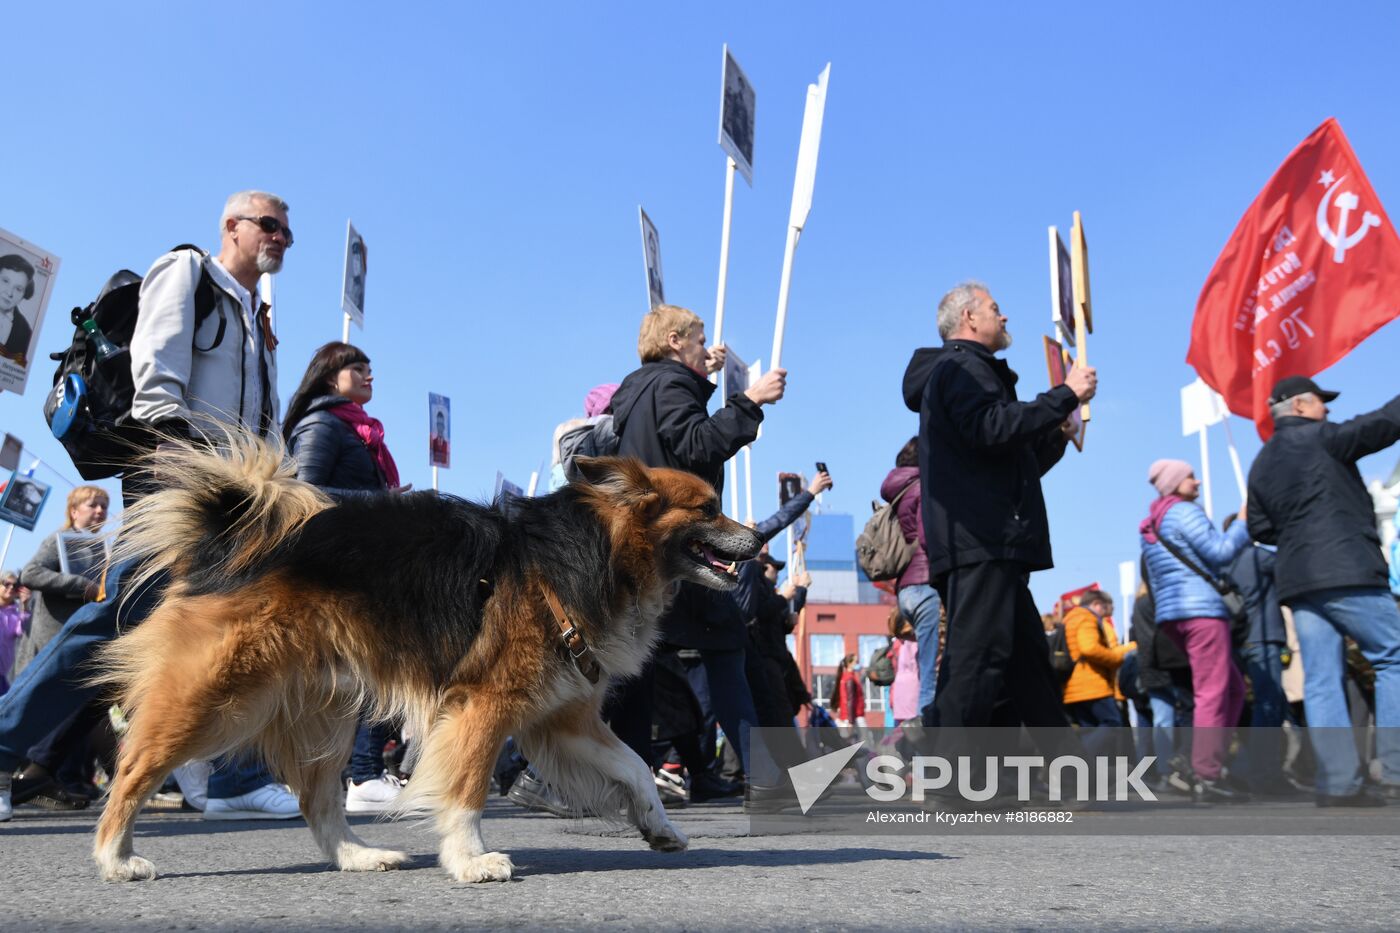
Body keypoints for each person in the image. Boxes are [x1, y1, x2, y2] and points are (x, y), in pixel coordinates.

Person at [0, 191, 297, 823]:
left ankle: (232, 779)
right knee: (116, 620)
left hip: (238, 495)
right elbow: (155, 379)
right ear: (232, 226)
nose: (281, 238)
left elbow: (263, 418)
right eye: (270, 225)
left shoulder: (257, 313)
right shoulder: (187, 271)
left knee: (235, 625)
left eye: (287, 232)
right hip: (177, 477)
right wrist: (186, 462)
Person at [902, 281, 1094, 761]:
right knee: (977, 660)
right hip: (981, 538)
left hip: (991, 538)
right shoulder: (960, 367)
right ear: (969, 317)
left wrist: (1055, 431)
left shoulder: (964, 370)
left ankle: (1065, 772)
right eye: (995, 308)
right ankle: (948, 774)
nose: (1004, 317)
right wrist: (1063, 396)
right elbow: (991, 428)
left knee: (1028, 666)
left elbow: (1007, 461)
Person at [608, 304, 785, 779]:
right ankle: (764, 776)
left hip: (648, 546)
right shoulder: (670, 385)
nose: (706, 349)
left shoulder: (637, 391)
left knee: (637, 669)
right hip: (683, 546)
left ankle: (627, 779)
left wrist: (703, 374)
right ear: (675, 341)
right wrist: (751, 401)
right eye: (699, 340)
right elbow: (695, 444)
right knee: (727, 650)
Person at [1247, 375, 1400, 806]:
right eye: (1320, 401)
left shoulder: (1261, 463)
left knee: (1321, 679)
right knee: (1392, 658)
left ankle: (1338, 783)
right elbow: (1385, 423)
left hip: (1300, 582)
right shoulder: (1325, 439)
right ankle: (1395, 770)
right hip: (1348, 569)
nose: (1327, 408)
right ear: (1298, 406)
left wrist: (1301, 534)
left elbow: (1259, 527)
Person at [284, 342, 410, 813]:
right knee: (378, 665)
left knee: (377, 668)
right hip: (336, 569)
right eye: (358, 369)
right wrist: (383, 503)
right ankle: (362, 775)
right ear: (328, 376)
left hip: (363, 564)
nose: (369, 376)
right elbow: (303, 493)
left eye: (369, 369)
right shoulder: (323, 424)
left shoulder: (359, 429)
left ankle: (362, 774)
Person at [1140, 459, 1251, 802]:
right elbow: (1221, 552)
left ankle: (1208, 761)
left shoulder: (1152, 522)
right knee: (1213, 692)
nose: (1197, 481)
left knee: (1231, 689)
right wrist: (1243, 522)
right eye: (1190, 476)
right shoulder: (1185, 512)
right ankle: (1206, 772)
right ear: (1174, 482)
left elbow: (1153, 578)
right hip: (1202, 610)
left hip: (1173, 614)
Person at [1222, 513, 1294, 795]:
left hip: (1239, 641)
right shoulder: (1256, 557)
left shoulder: (1225, 564)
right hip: (1263, 636)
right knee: (1270, 704)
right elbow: (1286, 565)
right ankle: (1263, 773)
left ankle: (1251, 768)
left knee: (1254, 706)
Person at [881, 437, 939, 718]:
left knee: (925, 666)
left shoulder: (897, 493)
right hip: (926, 584)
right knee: (931, 672)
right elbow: (928, 538)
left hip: (905, 589)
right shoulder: (923, 488)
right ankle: (930, 734)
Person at [1061, 590, 1135, 758]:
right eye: (1106, 608)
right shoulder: (1086, 618)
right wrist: (1115, 658)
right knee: (1113, 722)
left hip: (1073, 687)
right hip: (1091, 683)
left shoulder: (1070, 619)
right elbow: (1089, 648)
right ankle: (1080, 760)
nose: (1107, 613)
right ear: (1096, 604)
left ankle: (1089, 769)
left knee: (1090, 729)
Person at [0, 253, 36, 363]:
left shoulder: (25, 332)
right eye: (5, 281)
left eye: (18, 289)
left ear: (24, 294)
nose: (9, 293)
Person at [0, 573, 28, 694]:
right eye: (7, 584)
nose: (11, 587)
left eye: (15, 585)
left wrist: (24, 605)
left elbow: (20, 631)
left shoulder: (15, 614)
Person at [830, 654, 865, 732]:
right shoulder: (850, 679)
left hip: (849, 716)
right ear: (850, 664)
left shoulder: (845, 677)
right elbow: (850, 700)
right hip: (854, 716)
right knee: (865, 738)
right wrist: (851, 721)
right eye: (856, 662)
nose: (858, 664)